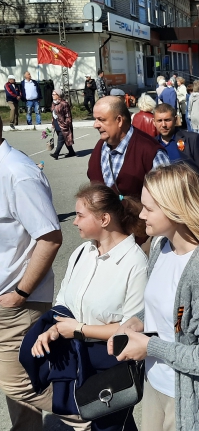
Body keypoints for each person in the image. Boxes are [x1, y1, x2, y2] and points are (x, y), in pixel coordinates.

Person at [107, 165, 199, 431]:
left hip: (189, 396)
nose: (141, 215)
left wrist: (150, 348)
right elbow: (173, 310)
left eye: (149, 208)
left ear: (175, 210)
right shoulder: (159, 246)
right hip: (156, 384)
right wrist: (137, 321)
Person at [28, 183, 148, 431]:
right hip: (78, 358)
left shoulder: (135, 262)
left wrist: (80, 329)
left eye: (80, 215)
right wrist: (54, 330)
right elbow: (63, 302)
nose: (74, 221)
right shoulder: (82, 252)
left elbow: (133, 327)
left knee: (111, 425)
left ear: (104, 219)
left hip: (111, 362)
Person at [0, 118, 86, 431]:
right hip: (8, 298)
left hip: (16, 303)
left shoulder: (18, 173)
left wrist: (20, 293)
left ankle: (90, 414)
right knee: (20, 391)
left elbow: (50, 237)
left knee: (20, 384)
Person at [87, 96, 169, 201]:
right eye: (95, 119)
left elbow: (165, 200)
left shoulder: (150, 151)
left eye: (101, 119)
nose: (95, 125)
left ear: (119, 120)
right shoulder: (99, 147)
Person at [153, 103, 199, 180]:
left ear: (175, 120)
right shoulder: (151, 145)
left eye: (167, 120)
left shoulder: (192, 140)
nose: (163, 125)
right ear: (154, 122)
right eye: (159, 121)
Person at [49, 88, 76, 160]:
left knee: (61, 139)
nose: (52, 95)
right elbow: (53, 114)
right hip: (56, 123)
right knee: (65, 138)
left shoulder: (64, 104)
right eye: (52, 94)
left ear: (59, 95)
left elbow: (68, 115)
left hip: (63, 125)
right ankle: (71, 152)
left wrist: (67, 124)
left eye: (54, 94)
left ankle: (56, 154)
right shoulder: (54, 103)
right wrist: (53, 123)